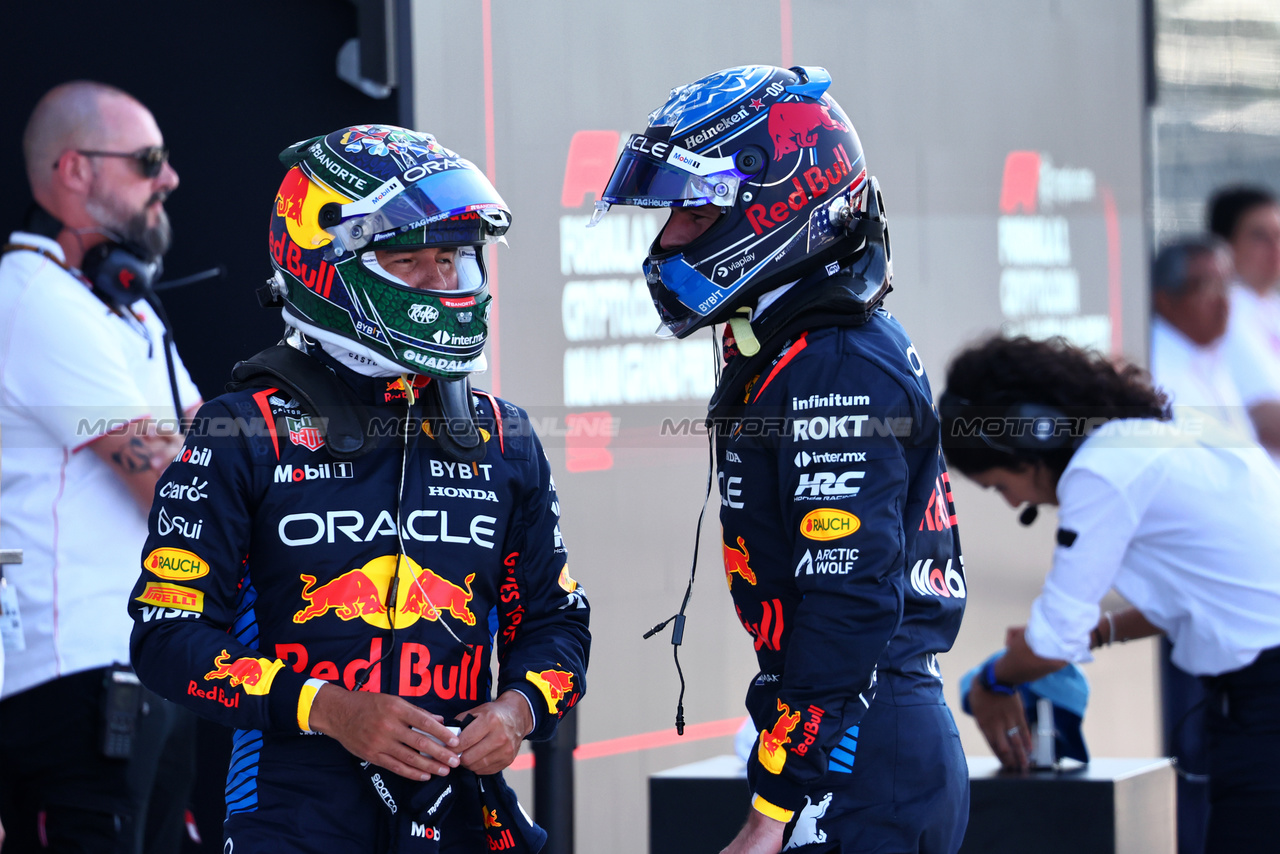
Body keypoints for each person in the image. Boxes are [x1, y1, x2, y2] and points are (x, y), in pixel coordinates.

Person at [127, 124, 590, 853]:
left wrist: (519, 711)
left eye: (452, 260)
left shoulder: (503, 437)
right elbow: (166, 640)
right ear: (322, 268)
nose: (442, 283)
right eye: (410, 261)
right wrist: (328, 709)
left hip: (465, 816)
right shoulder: (240, 431)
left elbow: (558, 625)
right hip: (290, 818)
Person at [595, 66, 968, 853]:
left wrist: (772, 811)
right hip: (856, 727)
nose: (665, 242)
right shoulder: (812, 345)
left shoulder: (835, 361)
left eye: (692, 215)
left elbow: (850, 598)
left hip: (866, 738)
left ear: (776, 206)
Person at [941, 335, 1280, 854]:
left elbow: (1052, 642)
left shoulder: (1101, 471)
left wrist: (991, 681)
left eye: (998, 486)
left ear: (1032, 438)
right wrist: (1101, 632)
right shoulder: (1153, 438)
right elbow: (1208, 594)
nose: (1013, 504)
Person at [0, 81, 201, 853]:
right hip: (74, 683)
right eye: (148, 161)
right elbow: (174, 485)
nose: (170, 178)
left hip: (146, 667)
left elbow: (211, 448)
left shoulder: (129, 308)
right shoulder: (37, 300)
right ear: (74, 171)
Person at [1149, 235, 1263, 442]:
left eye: (1227, 286)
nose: (1223, 302)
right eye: (1208, 287)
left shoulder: (1211, 351)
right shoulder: (1152, 366)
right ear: (1165, 299)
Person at [1209, 187, 1280, 456]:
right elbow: (1269, 422)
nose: (1275, 249)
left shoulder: (1271, 305)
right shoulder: (1224, 312)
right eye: (1260, 237)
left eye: (1278, 235)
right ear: (1225, 245)